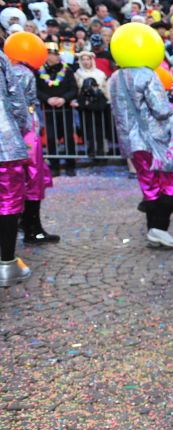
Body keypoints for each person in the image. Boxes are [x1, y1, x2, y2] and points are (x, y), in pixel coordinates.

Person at [107, 22, 173, 248]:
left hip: (130, 141)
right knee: (172, 180)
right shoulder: (147, 75)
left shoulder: (114, 78)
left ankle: (153, 231)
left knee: (149, 184)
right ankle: (159, 228)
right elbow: (160, 110)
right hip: (153, 139)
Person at [8, 32, 59, 243]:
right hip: (26, 134)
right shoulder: (24, 73)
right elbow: (21, 107)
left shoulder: (11, 71)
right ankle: (32, 228)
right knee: (33, 179)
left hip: (18, 134)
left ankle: (27, 225)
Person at [0, 50, 33, 286]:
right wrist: (21, 126)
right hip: (4, 143)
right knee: (9, 201)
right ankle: (6, 262)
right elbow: (16, 98)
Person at [36, 42, 78, 177]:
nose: (51, 57)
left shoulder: (67, 70)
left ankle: (70, 165)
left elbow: (73, 89)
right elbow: (37, 90)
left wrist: (63, 99)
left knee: (68, 137)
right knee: (51, 137)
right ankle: (54, 166)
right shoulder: (40, 71)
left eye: (53, 54)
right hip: (49, 110)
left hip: (65, 109)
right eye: (48, 54)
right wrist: (47, 99)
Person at [75, 50, 110, 160]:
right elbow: (76, 89)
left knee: (100, 128)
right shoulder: (77, 74)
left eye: (88, 59)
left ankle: (101, 150)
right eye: (83, 60)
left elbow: (105, 88)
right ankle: (91, 150)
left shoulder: (100, 73)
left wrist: (108, 99)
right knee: (87, 128)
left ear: (92, 60)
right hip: (85, 106)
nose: (86, 62)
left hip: (99, 105)